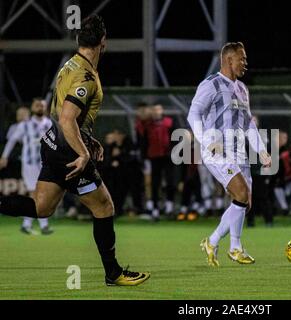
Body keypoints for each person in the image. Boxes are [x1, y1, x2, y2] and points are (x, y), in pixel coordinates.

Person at [0, 15, 149, 286]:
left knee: (42, 207)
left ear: (80, 40)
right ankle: (113, 273)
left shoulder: (69, 64)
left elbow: (64, 115)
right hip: (68, 150)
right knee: (104, 206)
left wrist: (89, 140)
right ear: (103, 42)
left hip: (53, 144)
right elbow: (67, 118)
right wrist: (82, 153)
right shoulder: (86, 75)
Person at [187, 42, 272, 266]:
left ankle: (220, 243)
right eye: (241, 59)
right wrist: (206, 140)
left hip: (239, 152)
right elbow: (193, 114)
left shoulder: (243, 89)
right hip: (218, 151)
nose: (245, 63)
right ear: (228, 60)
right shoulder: (211, 84)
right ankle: (231, 246)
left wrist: (261, 150)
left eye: (245, 59)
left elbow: (248, 124)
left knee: (244, 201)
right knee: (241, 193)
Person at [0, 99, 53, 235]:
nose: (40, 107)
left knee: (40, 193)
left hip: (46, 163)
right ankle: (43, 225)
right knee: (34, 193)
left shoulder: (50, 124)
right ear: (32, 108)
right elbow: (12, 140)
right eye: (37, 105)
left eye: (42, 105)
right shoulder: (25, 125)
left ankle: (27, 224)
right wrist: (5, 156)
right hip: (29, 163)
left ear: (45, 108)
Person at [139, 103, 176, 220]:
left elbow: (176, 138)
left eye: (158, 109)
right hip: (154, 157)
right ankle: (155, 208)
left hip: (168, 156)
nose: (156, 112)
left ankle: (169, 206)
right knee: (155, 183)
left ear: (162, 110)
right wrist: (144, 157)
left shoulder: (169, 122)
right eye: (154, 110)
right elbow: (144, 142)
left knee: (171, 181)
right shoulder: (147, 125)